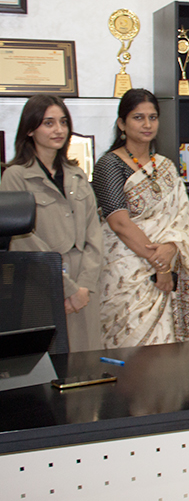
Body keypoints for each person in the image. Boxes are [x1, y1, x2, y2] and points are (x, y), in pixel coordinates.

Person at [92, 89, 189, 348]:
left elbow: (181, 222)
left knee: (166, 353)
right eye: (138, 118)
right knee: (130, 351)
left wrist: (171, 249)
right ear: (122, 123)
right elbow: (120, 224)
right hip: (125, 272)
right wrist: (161, 266)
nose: (147, 124)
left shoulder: (166, 165)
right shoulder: (109, 165)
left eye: (153, 117)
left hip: (166, 269)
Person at [1, 95, 104, 351]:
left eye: (63, 122)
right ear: (30, 129)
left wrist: (84, 287)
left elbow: (95, 233)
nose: (58, 130)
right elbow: (22, 238)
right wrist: (66, 287)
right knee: (48, 368)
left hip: (84, 290)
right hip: (42, 285)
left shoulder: (77, 174)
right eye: (48, 123)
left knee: (86, 367)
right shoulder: (15, 176)